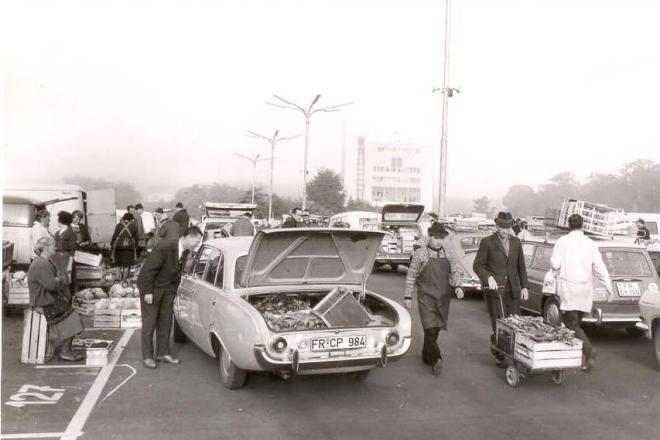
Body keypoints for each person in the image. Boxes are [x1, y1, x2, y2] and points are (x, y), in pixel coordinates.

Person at [550, 214, 613, 372]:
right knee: (576, 324)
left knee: (571, 324)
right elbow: (599, 267)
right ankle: (582, 359)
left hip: (569, 289)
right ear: (582, 226)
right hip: (585, 291)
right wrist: (609, 287)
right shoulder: (590, 243)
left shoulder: (562, 242)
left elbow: (555, 264)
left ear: (568, 226)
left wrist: (555, 266)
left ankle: (589, 351)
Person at [137, 226, 203, 369]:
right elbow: (148, 270)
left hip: (168, 290)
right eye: (196, 242)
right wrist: (148, 292)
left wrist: (173, 292)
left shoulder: (185, 251)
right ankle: (147, 356)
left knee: (166, 321)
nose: (196, 245)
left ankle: (163, 353)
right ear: (189, 237)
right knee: (150, 323)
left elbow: (176, 273)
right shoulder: (165, 246)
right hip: (152, 289)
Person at [473, 211, 529, 366]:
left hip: (513, 290)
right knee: (500, 323)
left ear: (511, 226)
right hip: (495, 290)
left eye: (507, 227)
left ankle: (511, 350)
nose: (504, 231)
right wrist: (488, 277)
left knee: (515, 324)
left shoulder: (517, 242)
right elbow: (477, 265)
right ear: (496, 225)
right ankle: (500, 354)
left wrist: (524, 286)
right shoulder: (487, 242)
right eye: (501, 227)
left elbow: (521, 267)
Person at [404, 222, 460, 375]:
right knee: (429, 327)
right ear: (429, 236)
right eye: (436, 237)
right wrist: (408, 295)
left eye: (441, 238)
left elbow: (455, 271)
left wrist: (458, 286)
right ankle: (437, 358)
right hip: (426, 297)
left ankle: (426, 354)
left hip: (443, 298)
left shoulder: (448, 253)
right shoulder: (420, 254)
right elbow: (411, 275)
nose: (438, 241)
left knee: (435, 329)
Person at [28, 237, 84, 362]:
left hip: (46, 299)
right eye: (53, 246)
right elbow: (52, 285)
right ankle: (65, 351)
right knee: (73, 316)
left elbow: (54, 281)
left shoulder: (43, 262)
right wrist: (61, 279)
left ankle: (62, 346)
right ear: (47, 248)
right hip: (42, 302)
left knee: (70, 312)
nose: (55, 248)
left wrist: (59, 279)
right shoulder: (41, 264)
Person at [52, 211, 77, 291]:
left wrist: (70, 264)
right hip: (56, 258)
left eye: (58, 220)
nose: (57, 222)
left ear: (61, 221)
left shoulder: (71, 233)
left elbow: (72, 250)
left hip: (66, 258)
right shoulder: (57, 233)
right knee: (57, 277)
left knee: (66, 279)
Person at [111, 213, 139, 281]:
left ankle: (118, 279)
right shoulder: (134, 226)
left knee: (118, 264)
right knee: (126, 264)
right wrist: (135, 246)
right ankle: (124, 280)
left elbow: (114, 236)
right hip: (129, 247)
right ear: (131, 219)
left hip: (118, 246)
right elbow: (136, 238)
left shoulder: (118, 225)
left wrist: (112, 244)